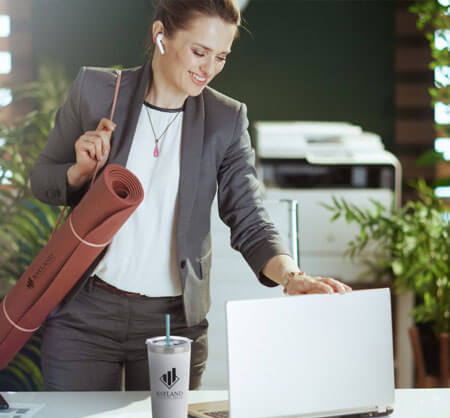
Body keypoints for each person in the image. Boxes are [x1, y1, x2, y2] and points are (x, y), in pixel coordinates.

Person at [30, 0, 352, 392]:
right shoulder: (97, 91)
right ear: (160, 35)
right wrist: (78, 173)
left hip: (171, 322)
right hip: (85, 311)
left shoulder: (225, 120)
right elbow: (42, 179)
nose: (209, 69)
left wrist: (292, 277)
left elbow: (248, 215)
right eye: (199, 52)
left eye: (221, 57)